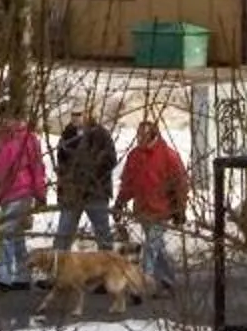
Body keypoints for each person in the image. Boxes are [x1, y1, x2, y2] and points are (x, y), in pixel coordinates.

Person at [115, 116, 189, 290]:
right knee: (156, 246)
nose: (139, 139)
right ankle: (168, 279)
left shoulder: (168, 155)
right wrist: (120, 201)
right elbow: (129, 182)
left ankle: (144, 280)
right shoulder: (134, 155)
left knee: (151, 247)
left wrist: (180, 209)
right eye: (138, 135)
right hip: (143, 208)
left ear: (153, 136)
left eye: (143, 135)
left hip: (162, 209)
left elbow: (180, 184)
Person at [0, 111, 46, 289]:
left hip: (21, 190)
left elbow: (37, 167)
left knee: (6, 233)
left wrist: (40, 192)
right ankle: (22, 275)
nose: (4, 121)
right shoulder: (0, 139)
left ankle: (4, 277)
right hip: (5, 192)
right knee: (17, 235)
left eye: (8, 117)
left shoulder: (27, 139)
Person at [52, 105, 118, 253]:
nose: (75, 118)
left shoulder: (101, 135)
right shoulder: (67, 135)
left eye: (79, 114)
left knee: (103, 234)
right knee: (63, 234)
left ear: (88, 114)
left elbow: (110, 161)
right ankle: (59, 264)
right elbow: (61, 162)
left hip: (95, 192)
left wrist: (91, 171)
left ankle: (107, 263)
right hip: (72, 193)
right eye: (73, 114)